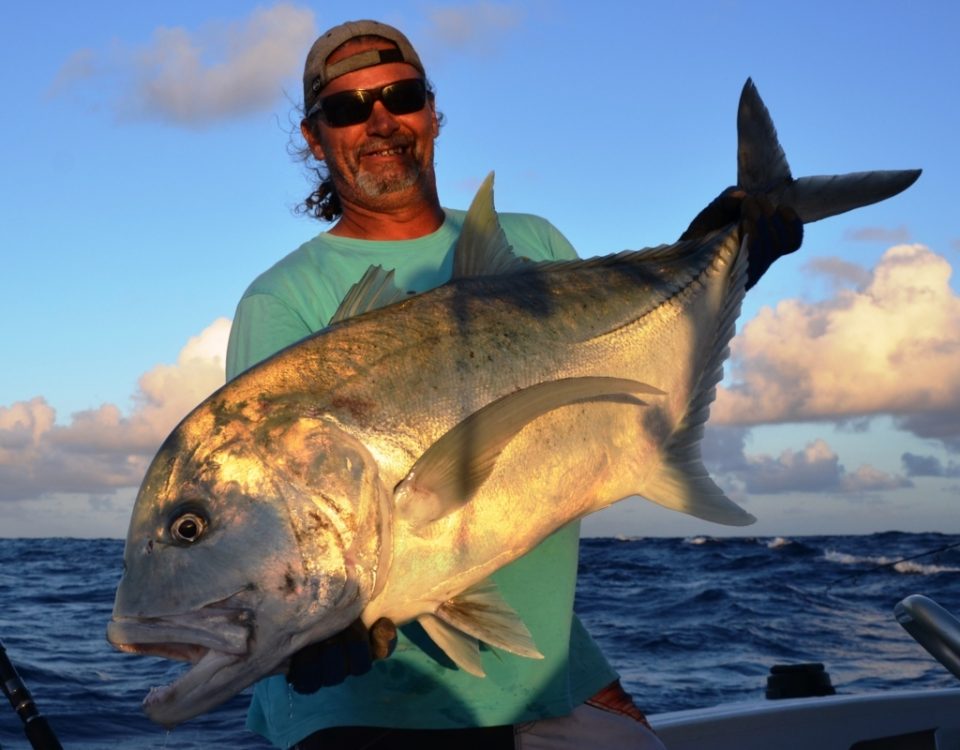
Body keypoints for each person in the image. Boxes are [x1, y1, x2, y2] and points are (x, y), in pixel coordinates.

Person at [226, 20, 800, 750]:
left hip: (544, 661)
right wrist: (301, 630)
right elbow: (273, 503)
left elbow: (612, 368)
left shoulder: (532, 241)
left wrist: (725, 255)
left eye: (399, 96)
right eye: (348, 108)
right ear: (315, 138)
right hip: (374, 700)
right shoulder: (283, 300)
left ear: (432, 112)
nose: (379, 121)